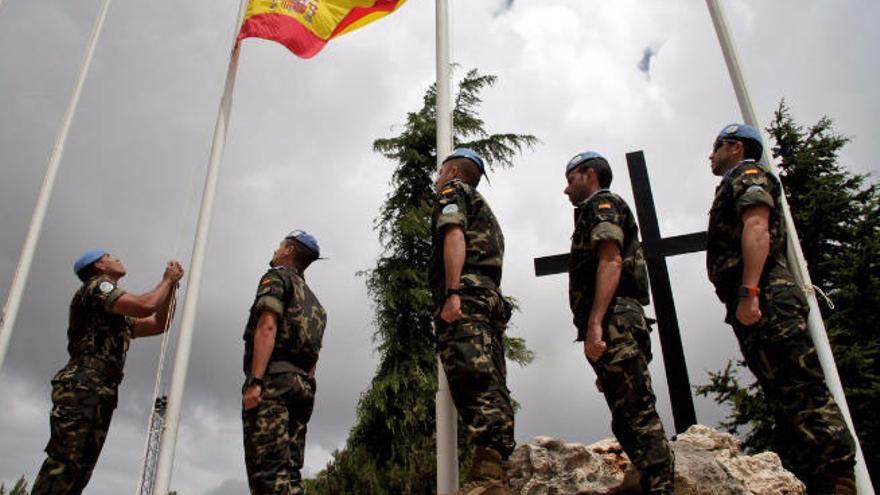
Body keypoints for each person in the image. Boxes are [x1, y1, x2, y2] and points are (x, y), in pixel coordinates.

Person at [705, 123, 856, 494]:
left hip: (768, 294)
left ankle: (838, 479)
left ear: (736, 148)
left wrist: (749, 290)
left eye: (717, 147)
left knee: (801, 388)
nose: (711, 155)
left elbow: (757, 227)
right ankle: (816, 477)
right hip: (759, 297)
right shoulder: (735, 179)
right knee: (783, 394)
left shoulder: (748, 175)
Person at [564, 151, 675, 494]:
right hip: (618, 323)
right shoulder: (591, 211)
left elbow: (611, 261)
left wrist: (596, 324)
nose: (566, 190)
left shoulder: (602, 204)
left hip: (615, 320)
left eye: (571, 180)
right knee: (627, 416)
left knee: (637, 416)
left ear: (590, 174)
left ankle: (662, 487)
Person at [32, 250, 183, 495]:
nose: (117, 258)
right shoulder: (96, 288)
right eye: (110, 256)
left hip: (101, 390)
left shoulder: (115, 314)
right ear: (99, 265)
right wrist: (166, 280)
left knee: (81, 470)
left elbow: (158, 324)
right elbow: (145, 306)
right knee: (65, 464)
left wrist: (172, 288)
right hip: (82, 385)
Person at [429, 148, 515, 495]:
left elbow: (454, 236)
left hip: (466, 297)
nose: (437, 181)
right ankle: (497, 467)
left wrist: (452, 293)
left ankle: (490, 477)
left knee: (473, 379)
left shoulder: (454, 194)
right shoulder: (487, 211)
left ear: (452, 173)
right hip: (487, 298)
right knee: (491, 381)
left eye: (440, 173)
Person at [241, 230, 327, 495]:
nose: (276, 249)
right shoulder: (316, 304)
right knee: (291, 475)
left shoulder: (276, 278)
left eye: (280, 245)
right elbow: (313, 359)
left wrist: (255, 381)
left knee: (268, 475)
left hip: (274, 384)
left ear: (289, 250)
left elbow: (267, 326)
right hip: (302, 387)